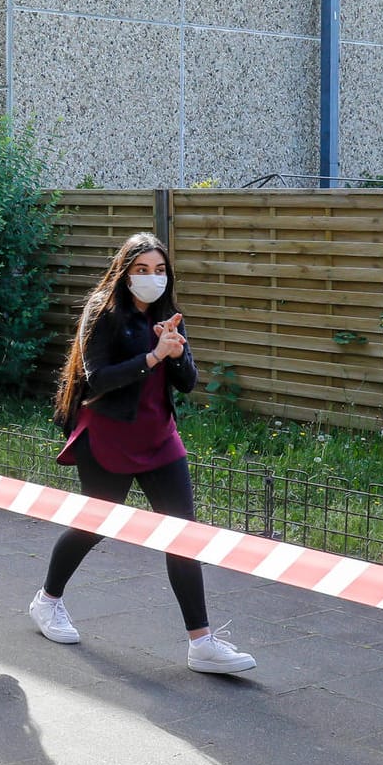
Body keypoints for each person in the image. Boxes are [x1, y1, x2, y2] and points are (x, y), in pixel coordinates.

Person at [28, 232, 256, 674]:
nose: (152, 278)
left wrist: (174, 353)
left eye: (159, 270)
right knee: (95, 526)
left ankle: (202, 643)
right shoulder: (102, 311)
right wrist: (152, 357)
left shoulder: (169, 315)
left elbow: (188, 383)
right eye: (141, 270)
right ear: (124, 272)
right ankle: (46, 601)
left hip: (159, 437)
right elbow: (97, 378)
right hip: (110, 436)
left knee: (182, 534)